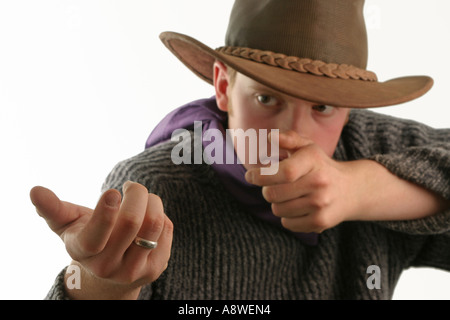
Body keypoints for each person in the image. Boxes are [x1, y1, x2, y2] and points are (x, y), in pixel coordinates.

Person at [30, 0, 450, 300]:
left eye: (322, 107)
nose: (293, 135)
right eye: (268, 99)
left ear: (349, 112)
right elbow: (98, 282)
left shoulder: (368, 148)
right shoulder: (158, 188)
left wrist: (363, 191)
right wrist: (99, 286)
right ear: (224, 86)